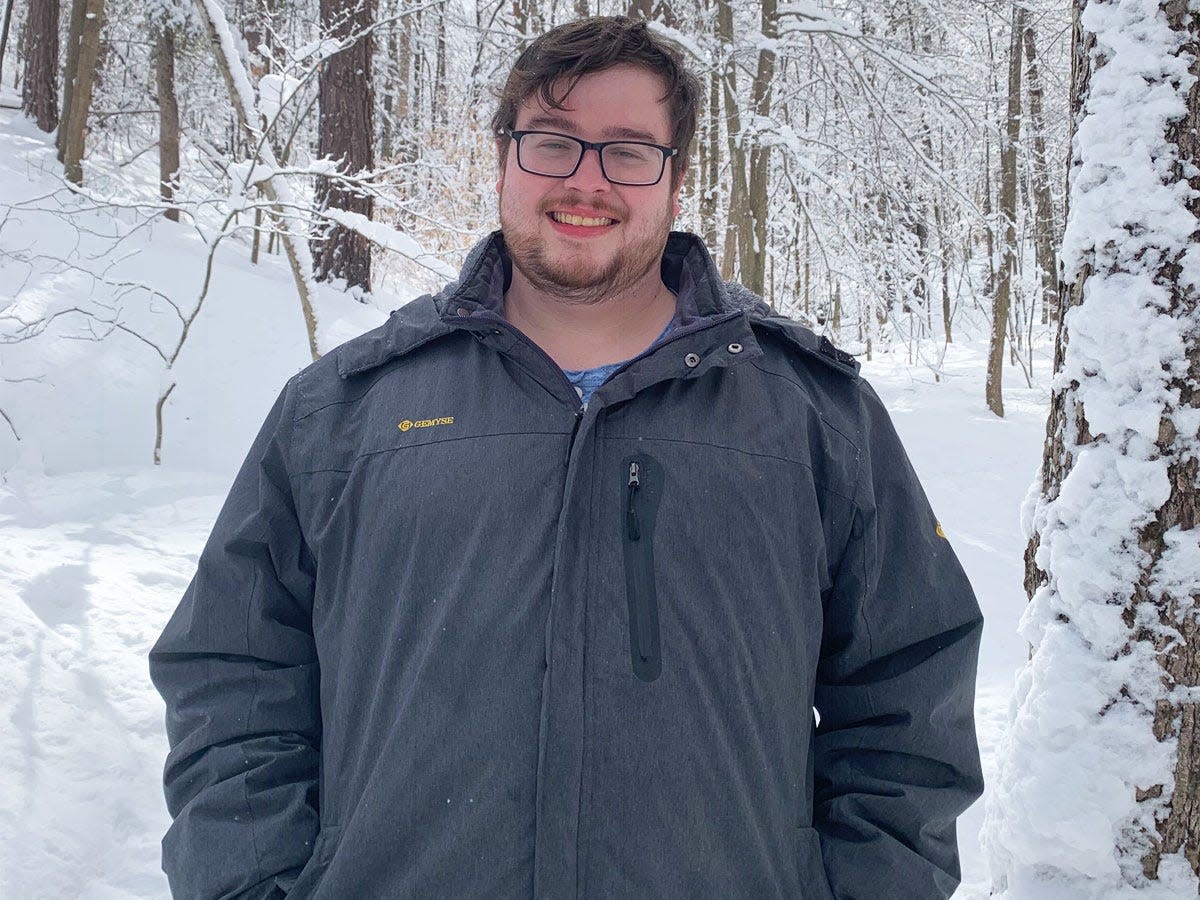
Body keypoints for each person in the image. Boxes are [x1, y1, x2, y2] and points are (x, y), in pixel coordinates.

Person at [150, 16, 983, 900]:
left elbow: (907, 695)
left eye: (628, 151)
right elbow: (236, 672)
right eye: (553, 143)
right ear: (504, 157)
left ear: (676, 178)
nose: (587, 181)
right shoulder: (344, 411)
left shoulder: (814, 416)